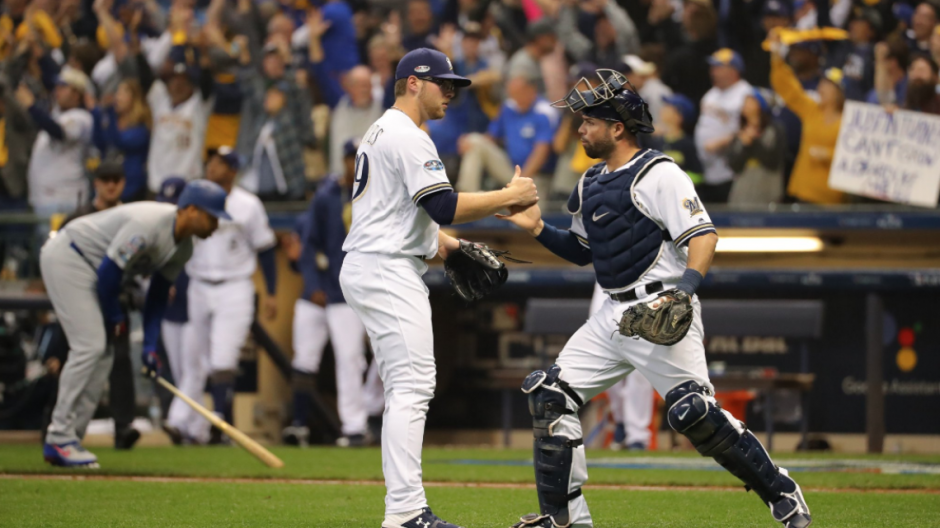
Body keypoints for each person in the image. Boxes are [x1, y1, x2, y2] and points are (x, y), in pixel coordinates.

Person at [497, 69, 811, 528]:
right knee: (549, 395)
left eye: (589, 121)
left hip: (661, 303)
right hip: (611, 312)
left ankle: (781, 490)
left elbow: (703, 235)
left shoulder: (660, 173)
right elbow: (585, 252)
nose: (580, 129)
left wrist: (685, 289)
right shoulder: (590, 182)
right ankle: (563, 518)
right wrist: (538, 228)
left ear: (617, 127)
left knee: (692, 414)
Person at [339, 47, 538, 528]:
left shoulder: (383, 129)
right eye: (442, 83)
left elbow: (403, 214)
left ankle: (403, 510)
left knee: (406, 387)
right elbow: (444, 205)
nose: (450, 92)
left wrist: (446, 248)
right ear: (412, 82)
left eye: (454, 85)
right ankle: (406, 513)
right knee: (412, 386)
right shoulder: (408, 136)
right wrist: (509, 197)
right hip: (386, 268)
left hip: (378, 263)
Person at [41, 180, 228, 467]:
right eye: (212, 216)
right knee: (89, 346)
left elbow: (156, 298)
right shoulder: (150, 223)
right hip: (70, 257)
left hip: (93, 270)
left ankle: (71, 439)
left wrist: (150, 347)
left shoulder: (183, 249)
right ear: (191, 210)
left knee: (103, 357)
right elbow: (108, 275)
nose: (216, 225)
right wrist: (116, 317)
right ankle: (58, 437)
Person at [165, 146, 278, 445]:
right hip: (199, 284)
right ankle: (194, 425)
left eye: (222, 163)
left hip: (235, 285)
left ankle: (218, 423)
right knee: (197, 360)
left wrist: (272, 293)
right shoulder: (194, 196)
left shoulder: (248, 204)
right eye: (212, 160)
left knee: (222, 359)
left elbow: (265, 248)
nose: (214, 166)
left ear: (233, 170)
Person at [284, 139, 369, 448]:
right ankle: (299, 425)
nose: (355, 163)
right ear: (344, 160)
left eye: (360, 158)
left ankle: (354, 426)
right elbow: (309, 247)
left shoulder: (375, 193)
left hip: (349, 293)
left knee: (350, 358)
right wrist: (312, 286)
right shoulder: (326, 197)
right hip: (320, 292)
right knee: (304, 359)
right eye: (351, 158)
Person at [56, 159, 140, 450]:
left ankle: (123, 427)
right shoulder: (79, 216)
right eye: (106, 179)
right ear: (96, 183)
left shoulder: (132, 217)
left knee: (120, 361)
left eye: (116, 178)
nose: (111, 184)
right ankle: (56, 427)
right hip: (82, 297)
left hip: (115, 300)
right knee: (79, 361)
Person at [770, 33, 846, 204]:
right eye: (822, 83)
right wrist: (776, 56)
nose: (821, 87)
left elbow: (855, 155)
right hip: (803, 190)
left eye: (828, 85)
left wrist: (827, 154)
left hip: (831, 196)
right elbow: (789, 89)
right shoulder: (812, 110)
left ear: (839, 93)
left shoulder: (847, 121)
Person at [19, 66, 94, 217]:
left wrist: (30, 105)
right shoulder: (57, 114)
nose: (57, 90)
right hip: (46, 199)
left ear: (76, 94)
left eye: (63, 87)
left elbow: (58, 131)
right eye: (57, 86)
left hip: (64, 199)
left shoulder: (82, 118)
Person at [589, 283, 653, 451]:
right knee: (606, 362)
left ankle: (637, 437)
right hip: (607, 282)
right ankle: (621, 421)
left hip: (645, 283)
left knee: (640, 369)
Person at [694, 48, 752, 204]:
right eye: (712, 67)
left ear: (734, 70)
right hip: (708, 170)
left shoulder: (746, 94)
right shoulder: (711, 94)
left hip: (730, 171)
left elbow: (753, 127)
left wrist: (724, 141)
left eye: (718, 67)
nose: (713, 72)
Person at [91, 79, 152, 202]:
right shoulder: (112, 122)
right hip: (108, 184)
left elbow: (119, 142)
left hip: (131, 188)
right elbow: (100, 143)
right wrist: (96, 114)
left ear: (134, 99)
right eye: (117, 93)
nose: (117, 98)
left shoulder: (141, 127)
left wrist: (109, 111)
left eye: (123, 93)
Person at [727, 88, 786, 206]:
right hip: (742, 195)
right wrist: (745, 145)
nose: (745, 105)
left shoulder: (775, 130)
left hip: (768, 193)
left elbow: (773, 162)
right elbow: (734, 166)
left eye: (750, 101)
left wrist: (753, 141)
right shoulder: (739, 133)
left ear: (761, 105)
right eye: (745, 102)